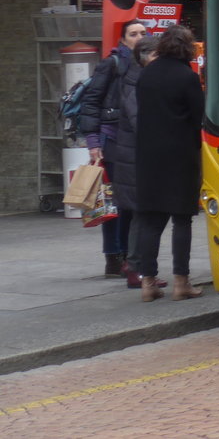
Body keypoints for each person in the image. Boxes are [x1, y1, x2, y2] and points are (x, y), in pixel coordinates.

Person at [133, 24, 204, 302]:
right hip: (180, 155)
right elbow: (198, 116)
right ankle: (181, 282)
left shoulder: (146, 75)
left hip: (148, 157)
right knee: (182, 220)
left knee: (151, 221)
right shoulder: (187, 77)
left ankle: (148, 284)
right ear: (187, 48)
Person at [76, 19, 148, 279]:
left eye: (143, 33)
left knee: (130, 201)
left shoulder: (148, 64)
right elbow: (91, 101)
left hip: (135, 140)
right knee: (114, 201)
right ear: (123, 38)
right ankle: (114, 257)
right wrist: (93, 142)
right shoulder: (113, 63)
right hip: (112, 138)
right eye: (133, 33)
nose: (139, 37)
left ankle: (128, 256)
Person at [107, 35, 164, 289]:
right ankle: (136, 267)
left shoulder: (140, 79)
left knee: (146, 215)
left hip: (139, 158)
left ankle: (142, 268)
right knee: (143, 215)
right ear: (147, 57)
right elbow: (141, 122)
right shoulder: (136, 82)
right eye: (158, 56)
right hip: (136, 160)